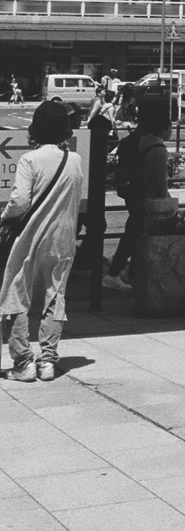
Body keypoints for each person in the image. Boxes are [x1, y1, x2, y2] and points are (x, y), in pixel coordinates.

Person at [1, 100, 84, 381]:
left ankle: (23, 362)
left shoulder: (29, 160)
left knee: (16, 292)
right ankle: (48, 361)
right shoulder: (74, 159)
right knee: (54, 293)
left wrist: (5, 217)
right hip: (62, 238)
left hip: (29, 236)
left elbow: (20, 201)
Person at [103, 103, 173, 290]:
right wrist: (167, 202)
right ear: (162, 128)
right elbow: (160, 182)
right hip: (146, 199)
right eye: (170, 127)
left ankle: (129, 272)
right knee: (134, 235)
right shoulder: (157, 147)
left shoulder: (131, 141)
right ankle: (114, 273)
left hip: (131, 193)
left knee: (135, 233)